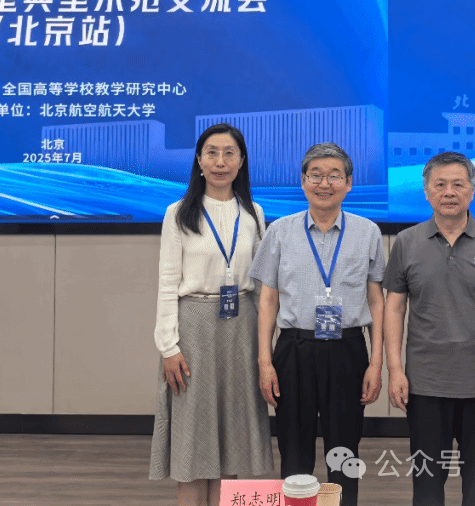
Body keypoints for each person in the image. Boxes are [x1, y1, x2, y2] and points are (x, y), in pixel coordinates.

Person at [249, 142, 385, 506]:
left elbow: (376, 300)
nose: (325, 184)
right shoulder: (280, 231)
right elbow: (268, 300)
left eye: (334, 176)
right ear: (303, 181)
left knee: (345, 448)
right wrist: (265, 362)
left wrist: (376, 363)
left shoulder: (368, 232)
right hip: (294, 349)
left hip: (348, 349)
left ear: (349, 183)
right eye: (316, 175)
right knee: (294, 448)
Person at [384, 152, 475, 506]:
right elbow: (394, 308)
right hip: (425, 383)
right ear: (427, 192)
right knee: (427, 482)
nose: (449, 192)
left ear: (472, 191)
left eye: (458, 184)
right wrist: (395, 370)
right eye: (440, 184)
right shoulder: (406, 242)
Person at [149, 124, 273, 506]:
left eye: (229, 153)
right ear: (199, 161)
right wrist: (168, 346)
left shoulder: (254, 213)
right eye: (212, 153)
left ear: (241, 161)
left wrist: (266, 346)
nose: (221, 162)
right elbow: (167, 282)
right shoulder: (178, 213)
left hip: (241, 329)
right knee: (193, 445)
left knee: (230, 444)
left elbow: (263, 285)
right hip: (194, 330)